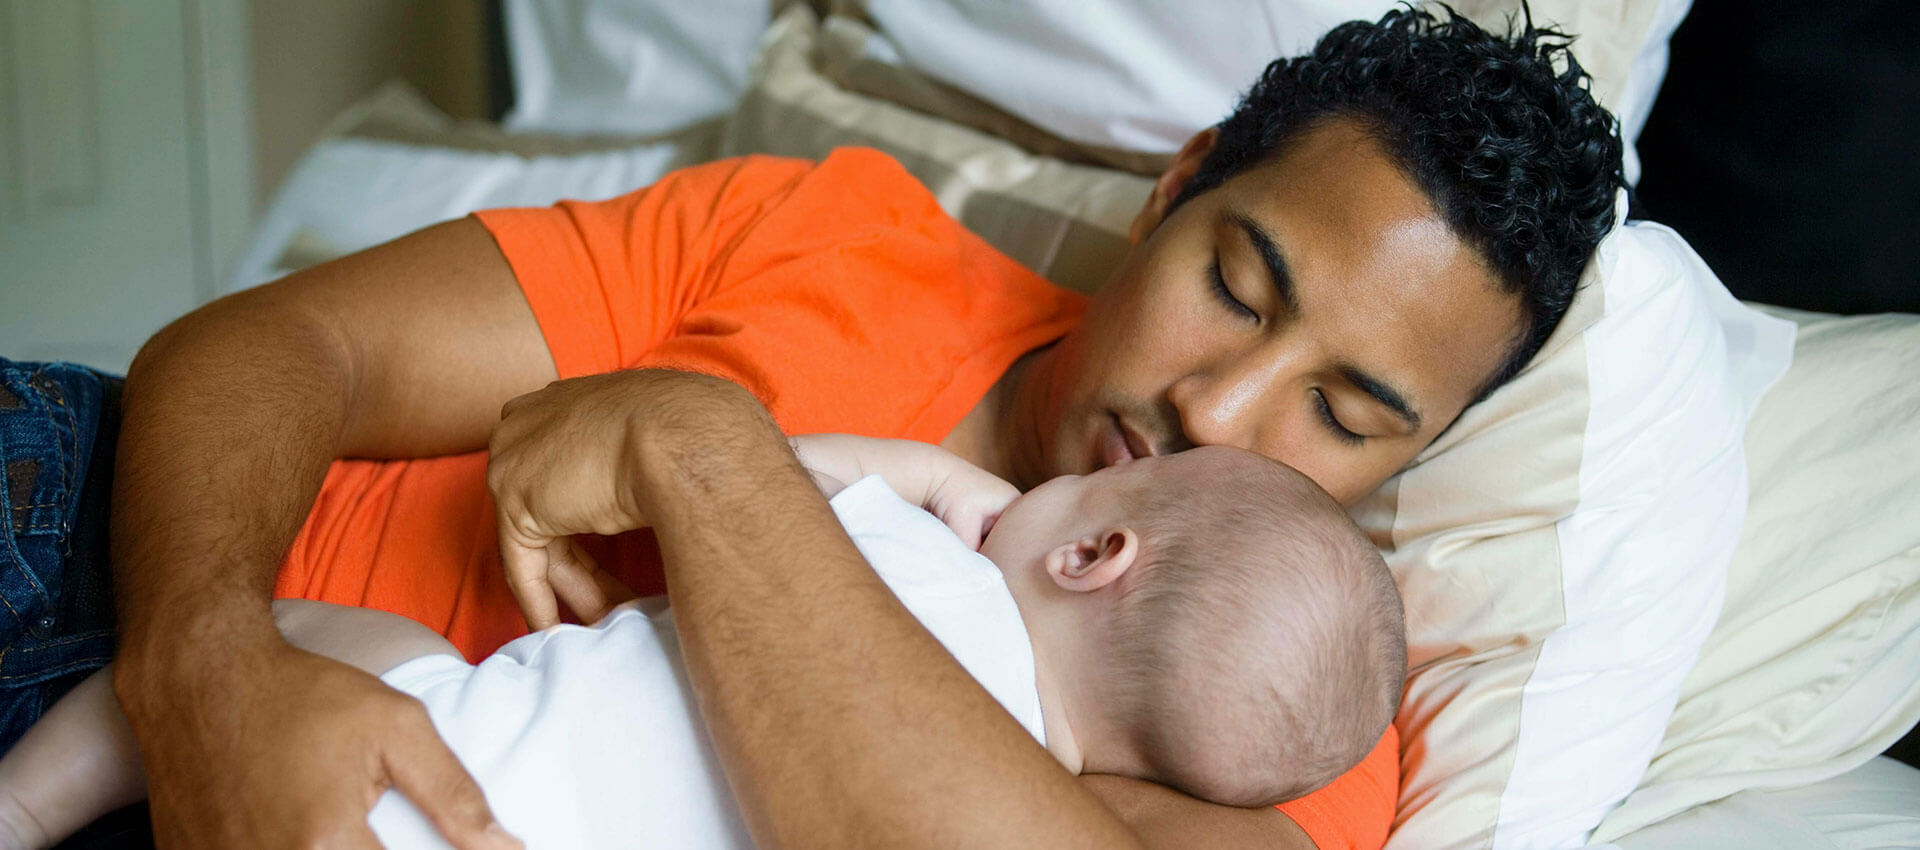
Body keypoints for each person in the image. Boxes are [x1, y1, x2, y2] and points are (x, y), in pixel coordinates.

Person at [0, 7, 1622, 849]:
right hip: (112, 550)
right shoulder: (842, 240)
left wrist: (698, 451)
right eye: (1237, 283)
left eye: (1344, 415)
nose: (1220, 408)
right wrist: (209, 668)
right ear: (1176, 186)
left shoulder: (1291, 698)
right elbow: (274, 346)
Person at [0, 438, 1405, 850]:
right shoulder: (1014, 776)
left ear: (1097, 552)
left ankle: (24, 802)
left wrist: (926, 478)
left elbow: (748, 468)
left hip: (419, 754)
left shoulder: (905, 556)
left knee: (308, 632)